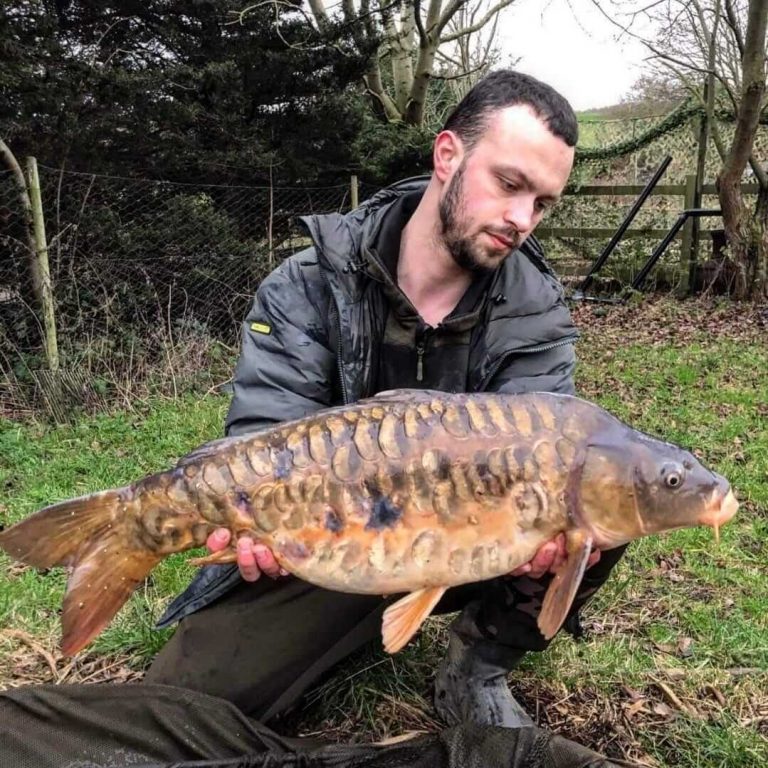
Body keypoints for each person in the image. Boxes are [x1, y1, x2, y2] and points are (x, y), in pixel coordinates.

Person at [145, 69, 627, 728]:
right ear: (447, 155)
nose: (521, 219)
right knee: (184, 709)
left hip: (472, 539)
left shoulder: (535, 310)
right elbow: (265, 436)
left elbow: (544, 452)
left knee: (605, 488)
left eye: (542, 203)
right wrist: (256, 525)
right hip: (328, 540)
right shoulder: (308, 283)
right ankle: (320, 634)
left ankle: (477, 667)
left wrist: (550, 534)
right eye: (510, 185)